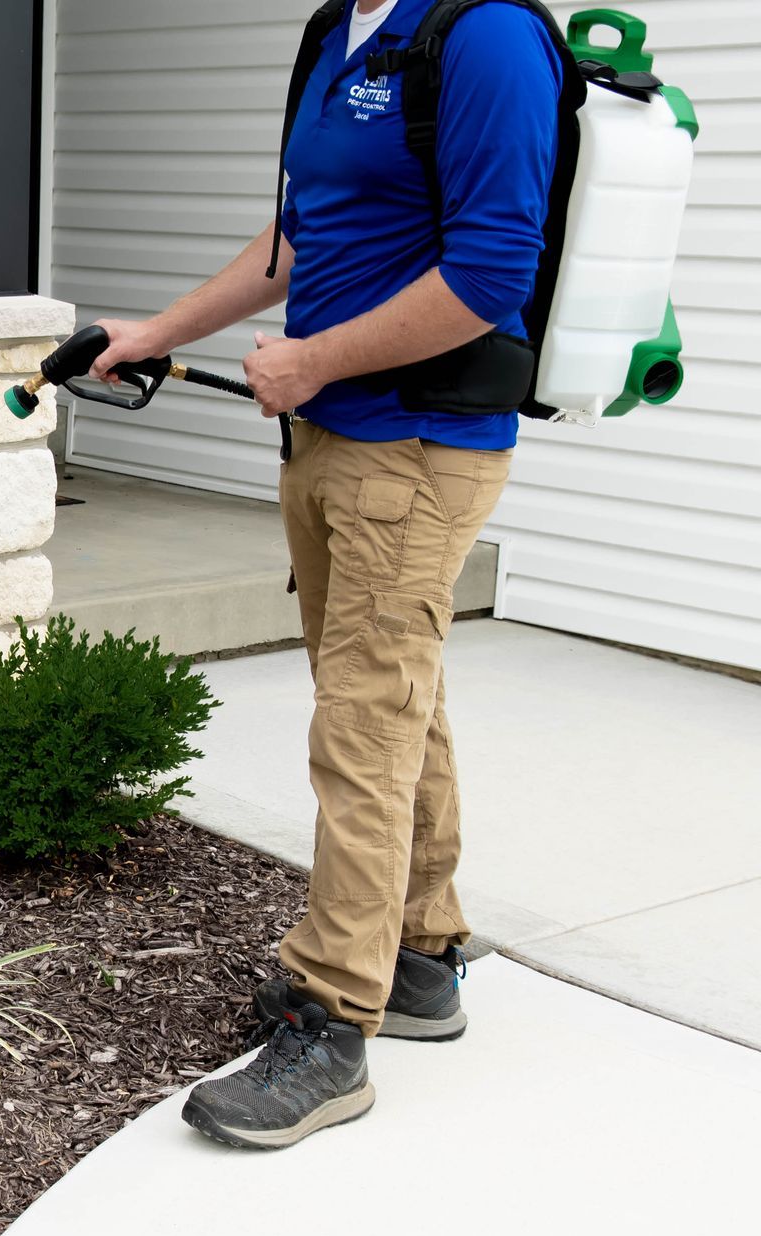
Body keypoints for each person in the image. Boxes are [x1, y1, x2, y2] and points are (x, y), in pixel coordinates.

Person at [89, 0, 563, 1149]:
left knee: (363, 717)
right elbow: (295, 241)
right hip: (330, 436)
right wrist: (157, 330)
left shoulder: (487, 33)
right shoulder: (337, 32)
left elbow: (494, 268)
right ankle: (421, 951)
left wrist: (309, 359)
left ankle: (334, 1017)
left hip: (416, 442)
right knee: (400, 691)